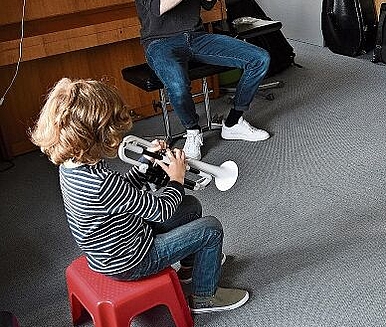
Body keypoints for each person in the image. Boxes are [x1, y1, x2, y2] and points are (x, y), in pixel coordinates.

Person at [30, 78, 249, 313]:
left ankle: (190, 267)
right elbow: (162, 210)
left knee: (190, 206)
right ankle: (206, 296)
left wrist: (145, 163)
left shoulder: (72, 167)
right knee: (211, 228)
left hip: (117, 244)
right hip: (133, 261)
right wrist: (176, 177)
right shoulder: (101, 183)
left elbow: (121, 195)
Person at [127, 0, 271, 160]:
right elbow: (157, 6)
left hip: (196, 35)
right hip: (160, 41)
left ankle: (233, 123)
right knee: (178, 84)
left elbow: (205, 6)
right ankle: (193, 131)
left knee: (259, 58)